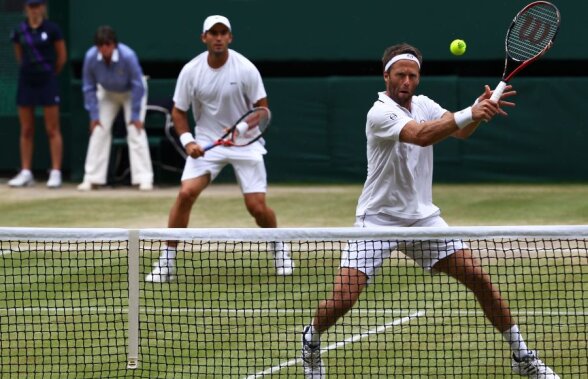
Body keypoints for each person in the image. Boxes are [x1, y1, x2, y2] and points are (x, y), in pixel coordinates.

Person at [301, 43, 559, 379]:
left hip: (423, 219)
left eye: (412, 75)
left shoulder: (423, 104)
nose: (406, 81)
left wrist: (482, 109)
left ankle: (522, 356)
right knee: (343, 299)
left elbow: (462, 130)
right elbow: (421, 136)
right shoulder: (379, 113)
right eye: (400, 75)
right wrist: (470, 112)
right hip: (378, 219)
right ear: (387, 76)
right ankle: (311, 340)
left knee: (479, 278)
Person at [145, 15, 293, 282]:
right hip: (207, 141)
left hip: (245, 144)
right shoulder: (191, 71)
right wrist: (188, 141)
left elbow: (262, 109)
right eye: (213, 33)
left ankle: (279, 248)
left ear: (230, 37)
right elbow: (178, 111)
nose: (218, 38)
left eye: (223, 33)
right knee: (186, 193)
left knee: (257, 208)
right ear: (204, 38)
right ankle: (166, 262)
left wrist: (241, 129)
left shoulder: (246, 69)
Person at [78, 25, 153, 191]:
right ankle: (92, 178)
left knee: (135, 130)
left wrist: (135, 115)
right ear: (97, 46)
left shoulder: (128, 56)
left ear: (114, 45)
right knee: (98, 130)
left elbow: (138, 86)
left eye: (108, 44)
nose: (104, 48)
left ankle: (144, 178)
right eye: (101, 45)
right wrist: (94, 116)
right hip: (107, 93)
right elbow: (88, 87)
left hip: (132, 92)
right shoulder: (90, 57)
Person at [8, 0, 66, 188]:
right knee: (26, 129)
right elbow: (19, 55)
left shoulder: (52, 29)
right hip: (27, 82)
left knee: (52, 128)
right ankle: (26, 172)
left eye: (37, 6)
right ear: (26, 9)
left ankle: (56, 172)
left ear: (43, 8)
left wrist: (48, 72)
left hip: (47, 81)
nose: (34, 10)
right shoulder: (19, 31)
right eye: (31, 7)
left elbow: (61, 57)